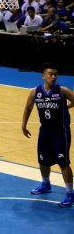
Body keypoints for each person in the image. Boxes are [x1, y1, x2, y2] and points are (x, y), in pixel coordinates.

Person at [22, 63, 74, 208]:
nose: (53, 77)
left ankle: (70, 193)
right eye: (50, 74)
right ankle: (46, 184)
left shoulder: (62, 91)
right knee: (43, 160)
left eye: (55, 74)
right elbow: (27, 108)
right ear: (43, 76)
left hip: (60, 131)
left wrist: (67, 106)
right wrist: (23, 126)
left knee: (63, 163)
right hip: (45, 130)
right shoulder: (35, 92)